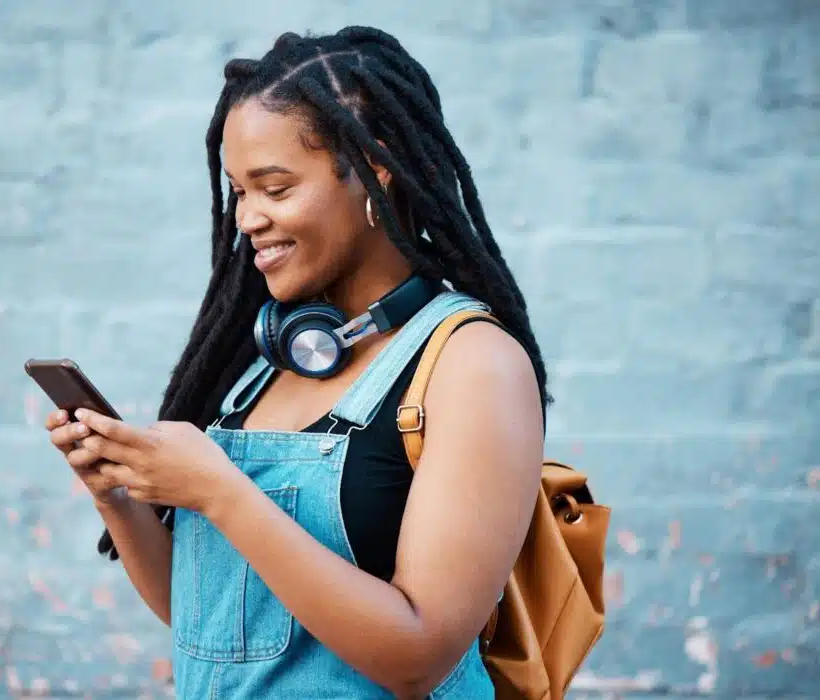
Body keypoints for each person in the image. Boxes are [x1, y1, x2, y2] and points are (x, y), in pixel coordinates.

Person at [45, 26, 546, 699]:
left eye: (274, 188)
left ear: (377, 167)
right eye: (238, 192)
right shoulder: (264, 366)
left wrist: (219, 492)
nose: (248, 218)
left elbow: (417, 656)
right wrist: (117, 495)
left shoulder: (474, 366)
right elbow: (214, 619)